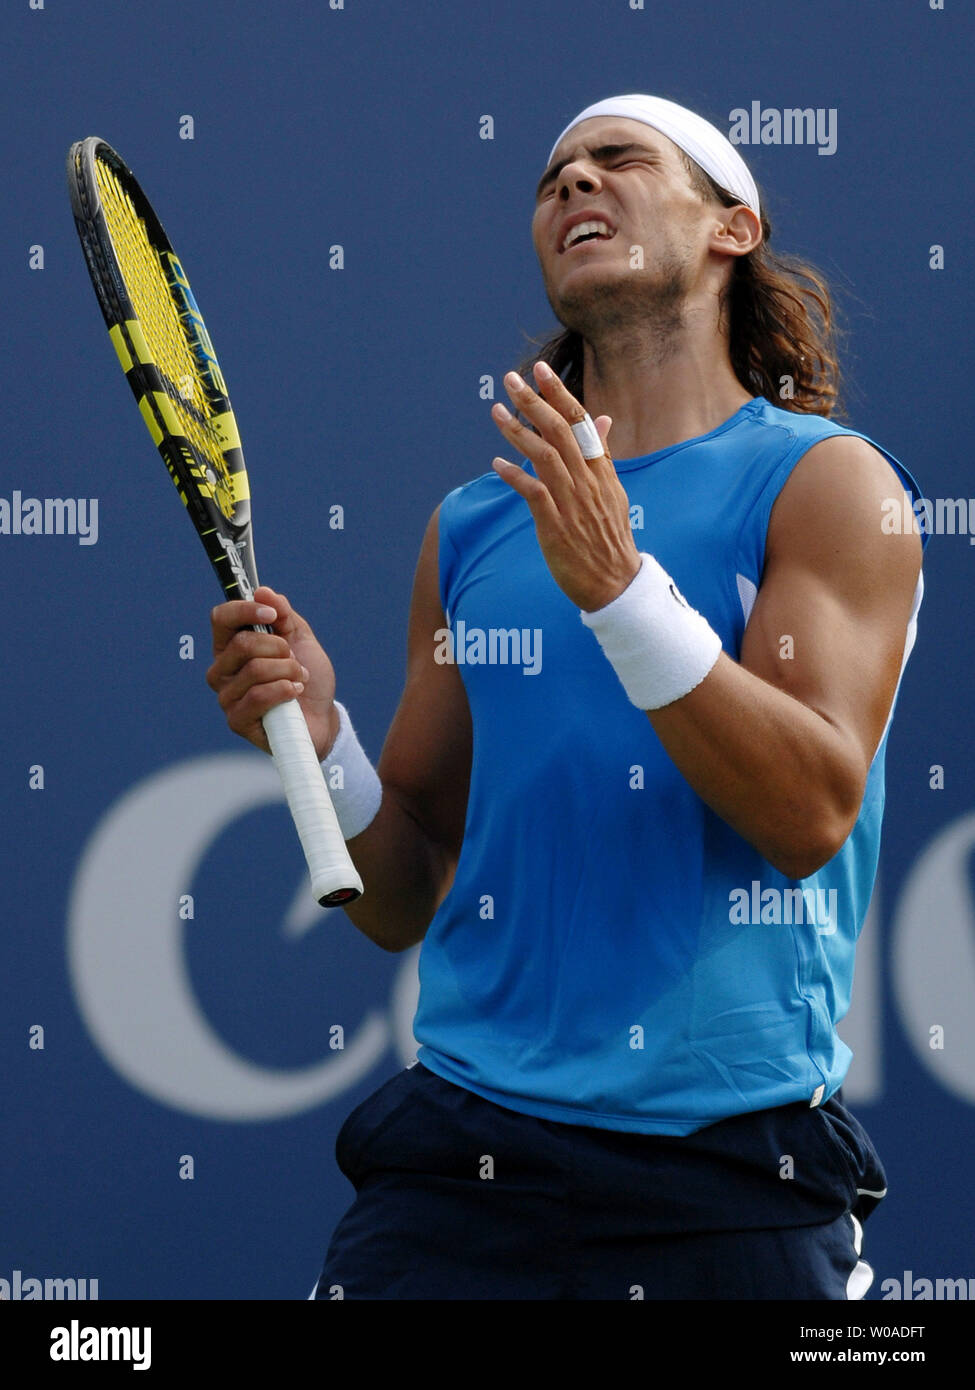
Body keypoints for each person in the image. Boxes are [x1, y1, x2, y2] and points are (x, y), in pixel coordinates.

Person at [206, 94, 926, 1300]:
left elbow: (809, 816)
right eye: (553, 177)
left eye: (619, 160)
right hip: (460, 1163)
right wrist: (318, 739)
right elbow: (404, 889)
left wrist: (620, 590)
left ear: (732, 227)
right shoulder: (476, 523)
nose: (574, 183)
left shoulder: (833, 484)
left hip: (730, 1175)